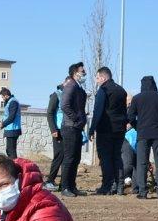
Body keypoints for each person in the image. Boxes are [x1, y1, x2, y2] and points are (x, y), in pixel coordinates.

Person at [127, 76, 158, 199]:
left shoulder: (137, 98)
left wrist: (137, 126)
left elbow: (130, 116)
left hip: (142, 134)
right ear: (154, 84)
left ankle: (143, 192)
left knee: (141, 163)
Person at [89, 67, 128, 195]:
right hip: (120, 129)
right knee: (117, 157)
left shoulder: (103, 90)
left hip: (106, 129)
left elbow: (98, 111)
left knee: (105, 157)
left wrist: (92, 128)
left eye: (98, 78)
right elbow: (124, 111)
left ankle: (107, 186)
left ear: (104, 77)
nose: (97, 81)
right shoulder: (121, 90)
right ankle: (120, 186)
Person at [60, 63, 88, 197]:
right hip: (70, 127)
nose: (84, 74)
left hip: (76, 127)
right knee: (69, 158)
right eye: (82, 72)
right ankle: (65, 187)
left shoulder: (78, 86)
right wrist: (76, 118)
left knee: (76, 158)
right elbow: (64, 105)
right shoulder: (71, 85)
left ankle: (72, 186)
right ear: (75, 73)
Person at [43, 81, 66, 191]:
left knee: (67, 157)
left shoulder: (70, 94)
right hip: (58, 130)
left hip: (68, 130)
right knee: (59, 156)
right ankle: (50, 181)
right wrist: (53, 129)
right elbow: (50, 113)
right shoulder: (56, 95)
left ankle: (64, 183)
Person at [0, 88, 21, 159]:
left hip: (13, 129)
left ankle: (14, 168)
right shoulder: (9, 101)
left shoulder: (13, 102)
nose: (2, 99)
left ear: (6, 95)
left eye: (2, 97)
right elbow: (7, 115)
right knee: (9, 150)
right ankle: (13, 166)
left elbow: (11, 117)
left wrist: (3, 124)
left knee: (11, 152)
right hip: (10, 129)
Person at [121, 126, 138, 194]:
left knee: (137, 167)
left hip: (139, 140)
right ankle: (116, 185)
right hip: (129, 139)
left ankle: (135, 188)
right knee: (128, 166)